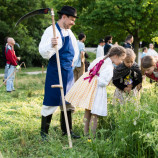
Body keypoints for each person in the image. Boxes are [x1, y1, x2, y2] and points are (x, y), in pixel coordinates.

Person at [65, 46, 126, 137]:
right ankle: (92, 136)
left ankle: (85, 133)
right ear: (116, 56)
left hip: (89, 85)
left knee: (88, 110)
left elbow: (90, 68)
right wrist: (107, 82)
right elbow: (102, 82)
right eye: (121, 59)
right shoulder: (109, 67)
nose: (121, 62)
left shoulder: (100, 58)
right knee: (95, 113)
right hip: (97, 89)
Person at [39, 6, 80, 139]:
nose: (73, 23)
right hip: (55, 72)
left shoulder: (71, 33)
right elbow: (43, 52)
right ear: (64, 17)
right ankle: (44, 134)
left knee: (68, 103)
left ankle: (67, 131)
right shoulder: (50, 31)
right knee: (51, 101)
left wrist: (72, 62)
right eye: (72, 20)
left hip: (68, 73)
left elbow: (74, 51)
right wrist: (51, 44)